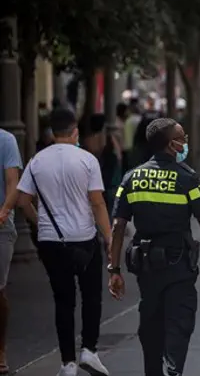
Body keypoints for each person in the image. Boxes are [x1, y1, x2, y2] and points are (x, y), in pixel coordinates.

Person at [107, 118, 200, 376]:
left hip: (146, 267)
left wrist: (114, 269)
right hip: (178, 266)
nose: (185, 141)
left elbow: (118, 226)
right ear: (171, 144)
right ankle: (173, 371)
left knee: (150, 324)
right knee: (179, 322)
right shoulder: (187, 178)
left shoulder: (132, 178)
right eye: (182, 137)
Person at [15, 108, 112, 376]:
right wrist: (109, 237)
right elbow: (97, 202)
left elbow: (22, 201)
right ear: (75, 132)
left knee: (63, 301)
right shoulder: (87, 160)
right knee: (92, 296)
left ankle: (67, 363)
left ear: (51, 133)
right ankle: (89, 351)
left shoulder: (36, 161)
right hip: (84, 239)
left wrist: (40, 222)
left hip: (50, 242)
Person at [0, 128, 22, 375]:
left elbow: (12, 182)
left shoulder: (6, 140)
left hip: (1, 225)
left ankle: (0, 349)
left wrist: (4, 211)